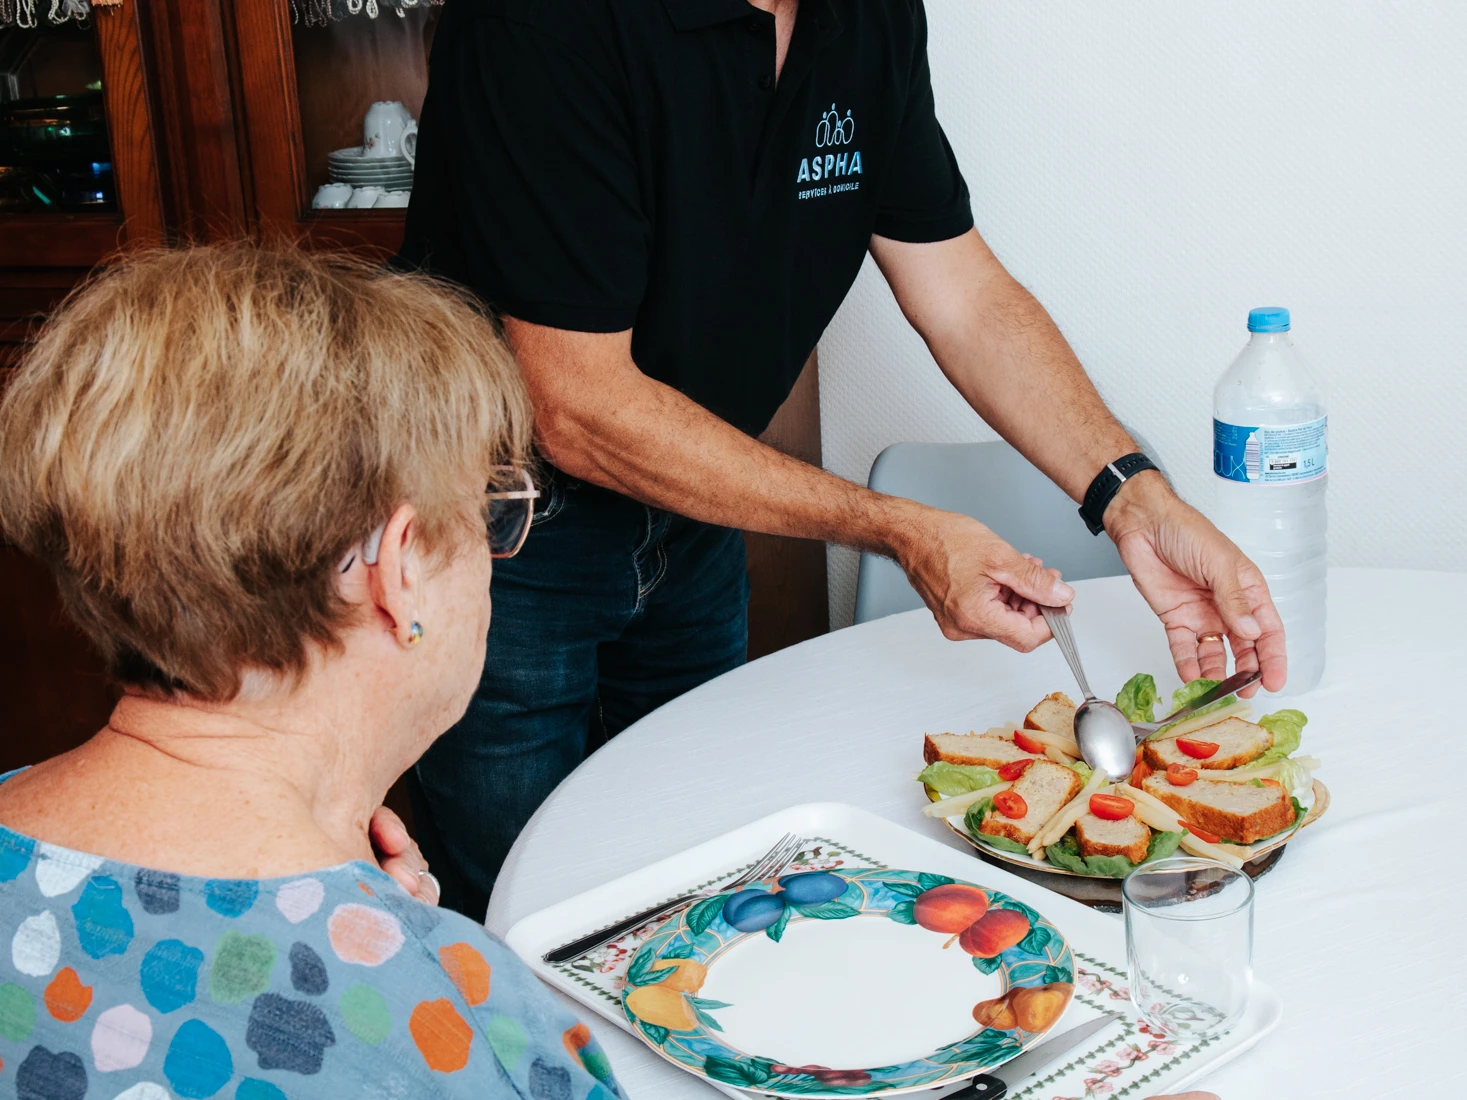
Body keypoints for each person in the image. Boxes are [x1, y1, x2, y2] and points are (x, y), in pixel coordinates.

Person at [396, 0, 1289, 919]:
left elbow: (962, 291)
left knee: (703, 889)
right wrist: (898, 530)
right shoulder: (540, 23)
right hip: (496, 537)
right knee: (516, 914)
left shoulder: (868, 15)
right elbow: (575, 406)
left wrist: (1130, 496)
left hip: (699, 513)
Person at [0, 245, 619, 1100]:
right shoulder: (473, 1031)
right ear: (396, 572)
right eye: (490, 510)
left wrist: (372, 933)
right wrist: (408, 963)